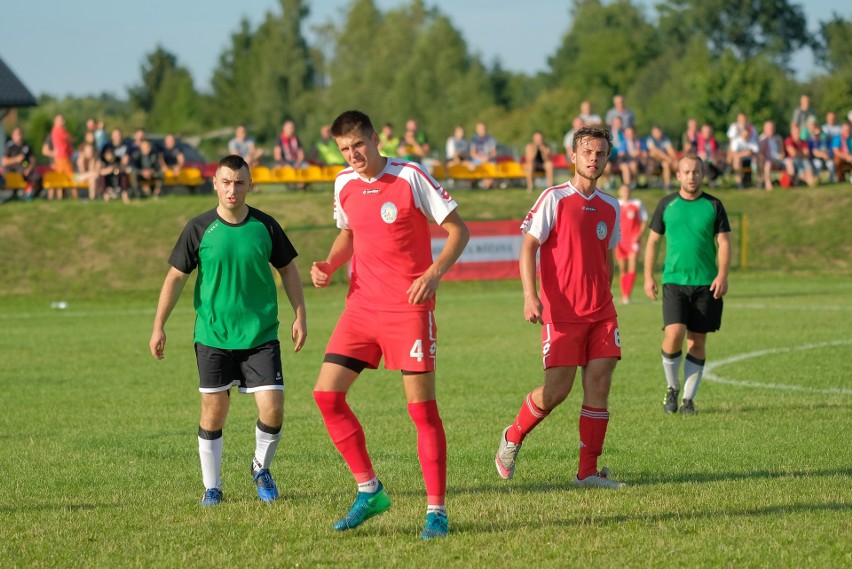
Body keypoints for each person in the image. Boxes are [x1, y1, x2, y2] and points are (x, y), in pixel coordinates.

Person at [310, 110, 469, 540]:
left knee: (421, 412)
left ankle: (436, 511)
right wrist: (328, 263)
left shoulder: (411, 177)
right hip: (360, 308)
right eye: (344, 149)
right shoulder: (343, 183)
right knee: (326, 395)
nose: (353, 155)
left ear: (375, 138)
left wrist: (433, 274)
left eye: (358, 145)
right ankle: (370, 490)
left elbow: (458, 230)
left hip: (408, 310)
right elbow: (349, 233)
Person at [149, 154, 307, 507]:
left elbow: (288, 270)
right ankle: (212, 487)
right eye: (226, 181)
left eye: (239, 182)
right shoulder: (199, 228)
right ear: (215, 184)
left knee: (273, 408)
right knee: (213, 412)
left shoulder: (265, 226)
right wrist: (159, 326)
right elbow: (175, 277)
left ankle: (260, 468)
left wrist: (300, 314)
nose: (232, 189)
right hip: (213, 336)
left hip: (260, 335)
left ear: (250, 185)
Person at [494, 126, 625, 489]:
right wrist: (529, 295)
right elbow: (528, 246)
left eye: (600, 153)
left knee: (599, 385)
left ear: (607, 158)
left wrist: (606, 297)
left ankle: (587, 472)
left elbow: (606, 258)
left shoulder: (611, 206)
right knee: (557, 392)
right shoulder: (554, 198)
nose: (593, 159)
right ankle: (513, 436)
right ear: (573, 156)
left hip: (601, 312)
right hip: (562, 313)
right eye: (587, 152)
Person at [643, 154, 731, 415]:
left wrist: (722, 275)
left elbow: (724, 242)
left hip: (706, 284)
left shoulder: (714, 205)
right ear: (678, 175)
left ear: (702, 174)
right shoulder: (666, 204)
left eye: (696, 172)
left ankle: (688, 401)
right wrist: (648, 275)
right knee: (674, 333)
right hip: (674, 282)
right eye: (686, 172)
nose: (691, 176)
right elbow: (652, 242)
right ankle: (672, 388)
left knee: (697, 341)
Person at [616, 184, 648, 305]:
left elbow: (644, 220)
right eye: (623, 190)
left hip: (633, 241)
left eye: (628, 190)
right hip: (620, 241)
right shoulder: (616, 204)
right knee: (622, 268)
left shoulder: (637, 204)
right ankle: (624, 293)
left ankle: (627, 295)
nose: (626, 192)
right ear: (619, 192)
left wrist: (638, 235)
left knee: (632, 266)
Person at [2, 127, 43, 200]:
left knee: (37, 177)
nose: (18, 136)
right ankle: (18, 194)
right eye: (16, 134)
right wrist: (16, 159)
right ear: (13, 135)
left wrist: (29, 168)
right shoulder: (9, 146)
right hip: (14, 170)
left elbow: (32, 160)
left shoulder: (26, 146)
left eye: (20, 134)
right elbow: (4, 161)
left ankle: (33, 194)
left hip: (26, 168)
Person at [645, 126, 678, 190]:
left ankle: (667, 185)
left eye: (659, 132)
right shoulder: (650, 139)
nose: (659, 133)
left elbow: (670, 150)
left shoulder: (665, 139)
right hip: (652, 162)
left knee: (667, 164)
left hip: (664, 160)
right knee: (654, 154)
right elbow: (655, 151)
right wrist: (667, 158)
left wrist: (673, 159)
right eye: (656, 132)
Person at [51, 114, 75, 200]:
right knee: (72, 177)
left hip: (59, 157)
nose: (63, 122)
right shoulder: (60, 130)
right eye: (61, 120)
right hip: (63, 157)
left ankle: (60, 198)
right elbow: (70, 139)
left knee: (60, 178)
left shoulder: (54, 131)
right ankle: (75, 197)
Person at [757, 120, 784, 191]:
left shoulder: (778, 138)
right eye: (769, 128)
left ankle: (792, 182)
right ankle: (767, 182)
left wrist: (781, 156)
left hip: (778, 160)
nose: (771, 130)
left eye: (772, 128)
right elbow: (760, 153)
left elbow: (782, 151)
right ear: (765, 129)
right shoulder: (761, 139)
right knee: (768, 164)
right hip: (767, 160)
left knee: (789, 162)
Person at [469, 121, 498, 189]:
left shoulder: (491, 139)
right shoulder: (474, 139)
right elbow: (472, 153)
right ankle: (473, 183)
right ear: (477, 130)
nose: (482, 131)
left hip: (488, 159)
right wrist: (480, 158)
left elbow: (494, 153)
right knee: (471, 166)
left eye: (483, 129)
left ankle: (488, 183)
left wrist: (487, 157)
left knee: (493, 166)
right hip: (478, 159)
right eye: (480, 129)